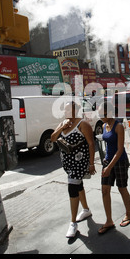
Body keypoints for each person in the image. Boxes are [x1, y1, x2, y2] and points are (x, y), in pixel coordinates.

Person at [51, 101, 96, 238]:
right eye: (64, 110)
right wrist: (61, 127)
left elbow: (91, 144)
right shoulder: (64, 123)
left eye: (68, 110)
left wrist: (91, 163)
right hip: (67, 163)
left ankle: (73, 224)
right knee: (78, 185)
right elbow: (53, 138)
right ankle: (86, 209)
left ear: (75, 110)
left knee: (72, 188)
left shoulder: (83, 124)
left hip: (79, 162)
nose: (65, 113)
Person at [97, 102, 130, 234]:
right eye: (100, 114)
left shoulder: (118, 127)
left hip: (120, 161)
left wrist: (109, 167)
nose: (101, 116)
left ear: (111, 113)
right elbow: (107, 146)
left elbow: (119, 150)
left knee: (122, 188)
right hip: (108, 161)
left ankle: (129, 214)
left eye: (104, 114)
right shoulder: (103, 125)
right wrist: (105, 163)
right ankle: (108, 221)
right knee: (105, 190)